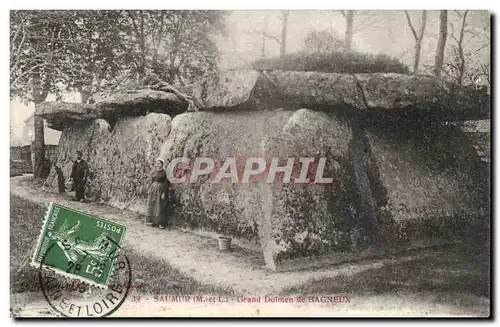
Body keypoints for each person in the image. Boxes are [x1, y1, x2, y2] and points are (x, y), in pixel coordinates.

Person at [146, 158, 170, 229]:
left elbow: (166, 183)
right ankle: (152, 221)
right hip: (153, 190)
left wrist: (164, 193)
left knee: (159, 206)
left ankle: (161, 223)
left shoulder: (165, 173)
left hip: (160, 190)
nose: (157, 165)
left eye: (159, 163)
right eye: (156, 163)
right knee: (152, 204)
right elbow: (152, 181)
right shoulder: (154, 172)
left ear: (162, 164)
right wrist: (149, 189)